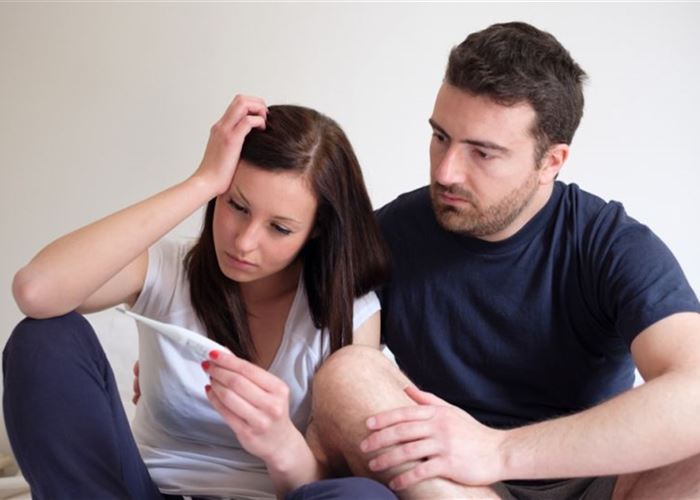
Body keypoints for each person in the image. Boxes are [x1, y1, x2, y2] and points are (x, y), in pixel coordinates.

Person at [308, 22, 700, 499]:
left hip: (598, 478)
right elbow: (335, 395)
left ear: (551, 162)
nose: (445, 171)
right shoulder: (387, 234)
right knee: (346, 373)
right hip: (453, 485)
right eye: (441, 137)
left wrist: (498, 450)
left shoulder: (610, 243)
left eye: (482, 153)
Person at [4, 95, 396, 500]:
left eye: (279, 228)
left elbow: (337, 480)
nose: (244, 242)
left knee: (365, 497)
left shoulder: (350, 313)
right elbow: (35, 290)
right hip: (143, 492)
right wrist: (203, 180)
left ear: (316, 230)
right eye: (237, 205)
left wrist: (281, 443)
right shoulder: (168, 269)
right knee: (43, 340)